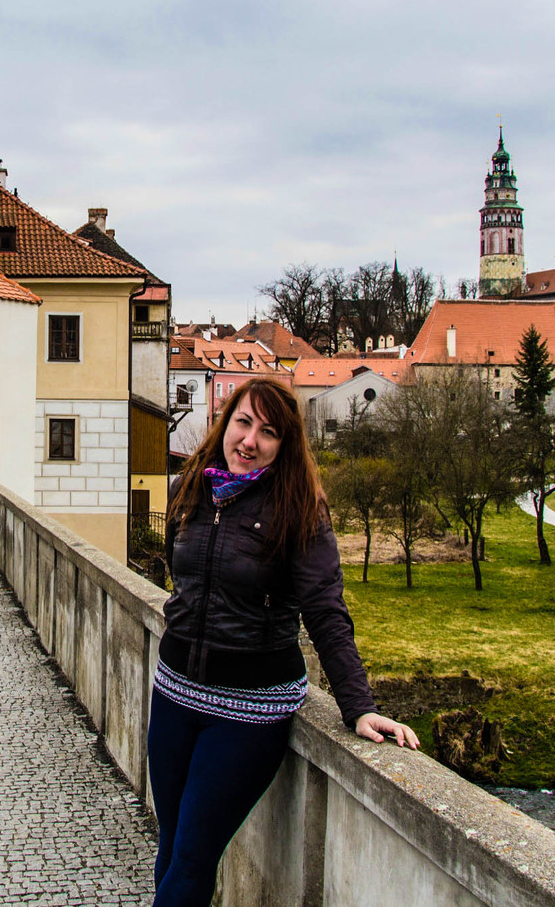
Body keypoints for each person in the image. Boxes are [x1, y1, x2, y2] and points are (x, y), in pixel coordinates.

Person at [149, 377, 418, 906]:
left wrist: (359, 706)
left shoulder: (299, 507)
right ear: (225, 424)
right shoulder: (193, 487)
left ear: (285, 443)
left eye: (267, 432)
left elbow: (325, 610)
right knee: (172, 846)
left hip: (248, 709)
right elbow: (184, 582)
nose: (249, 440)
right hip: (175, 694)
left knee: (192, 859)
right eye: (242, 423)